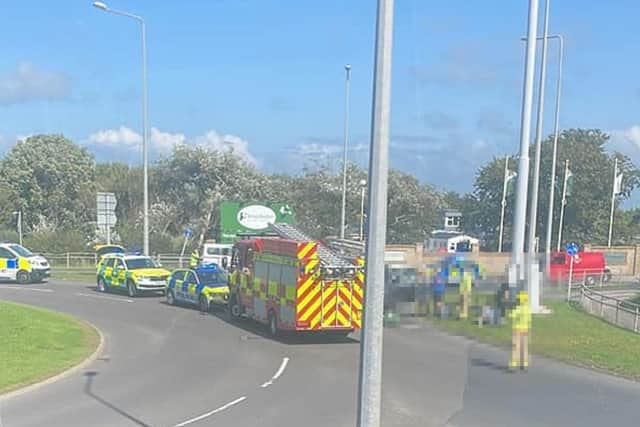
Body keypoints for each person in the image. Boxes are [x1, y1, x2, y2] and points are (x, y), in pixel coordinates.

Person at [509, 291, 532, 371]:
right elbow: (529, 320)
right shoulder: (528, 309)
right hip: (525, 329)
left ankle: (514, 363)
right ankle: (524, 363)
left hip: (517, 329)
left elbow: (511, 316)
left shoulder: (517, 309)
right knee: (525, 347)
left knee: (516, 346)